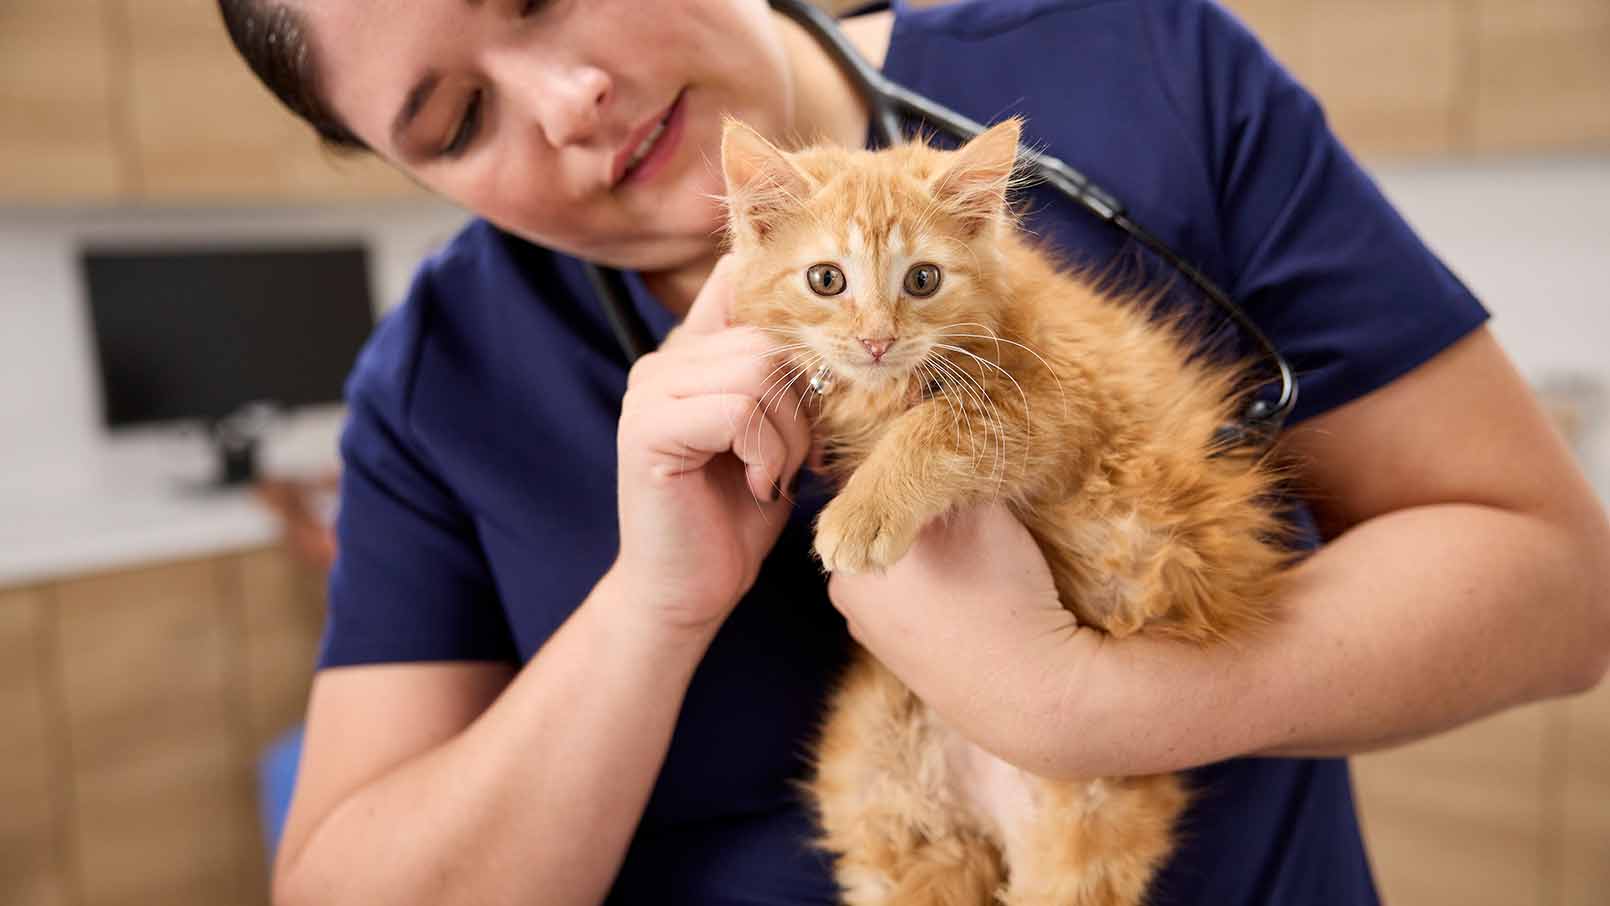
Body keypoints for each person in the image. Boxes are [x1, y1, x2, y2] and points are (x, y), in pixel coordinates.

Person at [217, 1, 1610, 904]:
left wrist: (1083, 704)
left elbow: (1555, 584)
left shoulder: (1143, 68)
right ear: (405, 175)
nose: (567, 95)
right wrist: (651, 610)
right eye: (456, 123)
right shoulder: (434, 381)